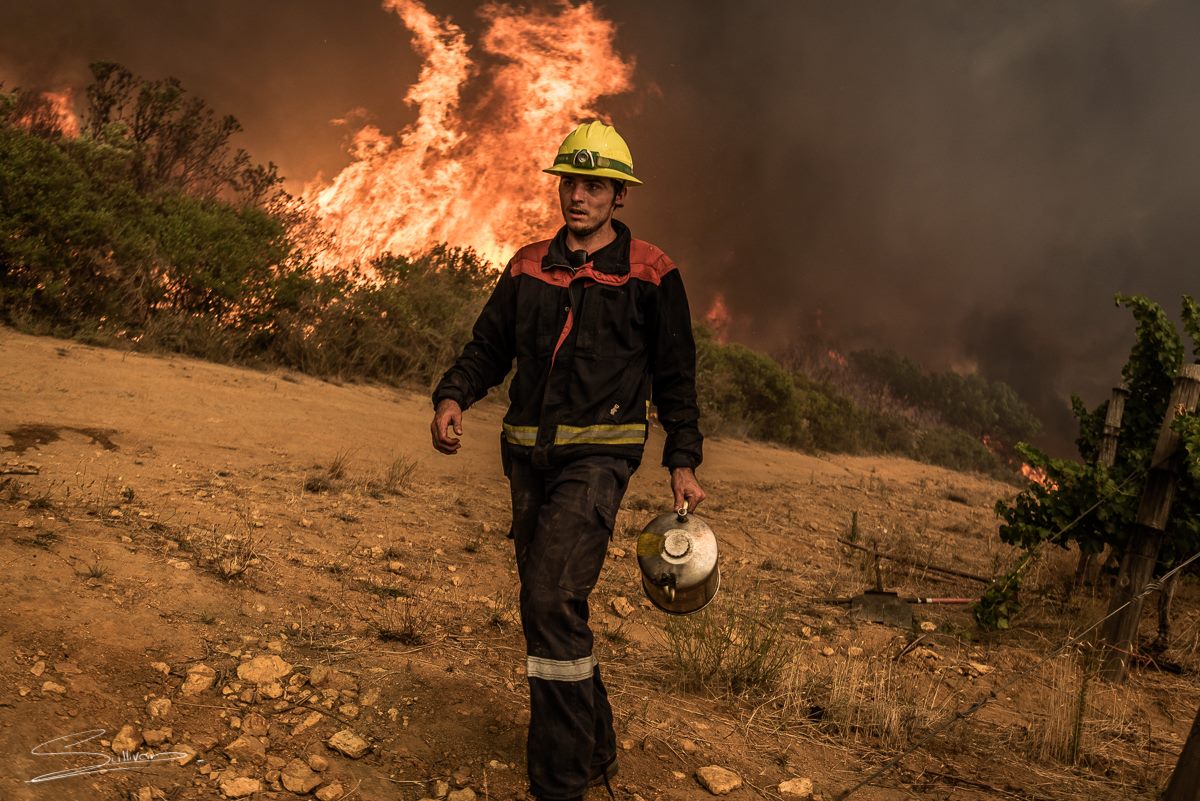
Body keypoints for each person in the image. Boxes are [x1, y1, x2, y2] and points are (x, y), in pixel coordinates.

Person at [430, 121, 705, 801]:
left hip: (600, 460)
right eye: (569, 182)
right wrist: (454, 394)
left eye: (593, 185)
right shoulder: (528, 264)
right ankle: (597, 744)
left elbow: (676, 375)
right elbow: (489, 345)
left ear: (618, 195)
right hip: (527, 456)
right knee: (551, 606)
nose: (577, 196)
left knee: (549, 595)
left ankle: (559, 782)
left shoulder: (651, 272)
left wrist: (683, 458)